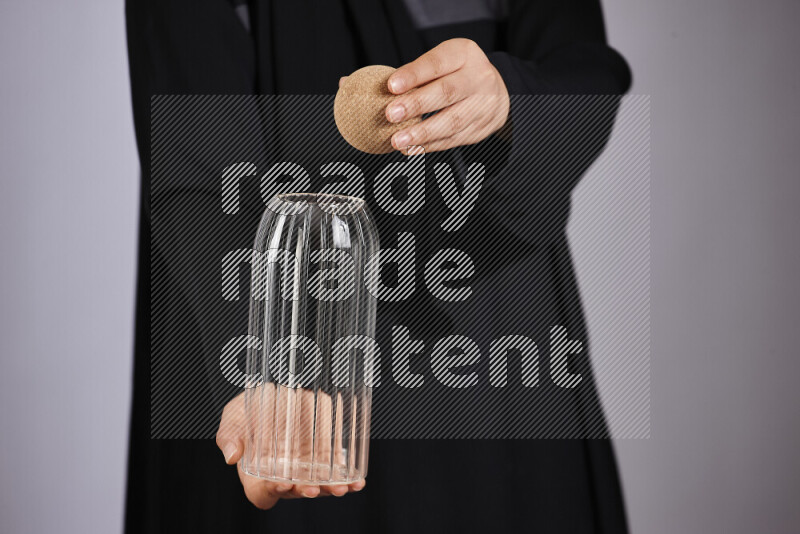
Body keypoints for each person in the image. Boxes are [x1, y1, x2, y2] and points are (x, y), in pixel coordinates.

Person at [125, 0, 632, 531]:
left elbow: (585, 66)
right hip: (266, 326)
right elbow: (193, 154)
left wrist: (511, 95)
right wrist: (257, 366)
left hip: (487, 336)